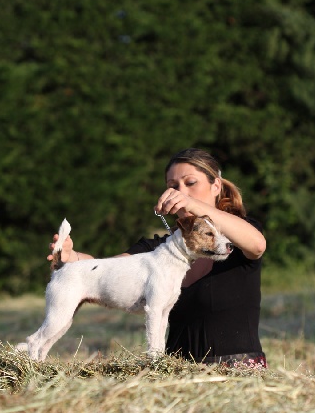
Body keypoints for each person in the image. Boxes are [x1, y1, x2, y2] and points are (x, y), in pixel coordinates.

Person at [48, 148, 267, 367]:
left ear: (216, 186)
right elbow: (105, 270)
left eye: (190, 183)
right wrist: (71, 257)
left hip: (237, 369)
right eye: (173, 186)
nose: (182, 192)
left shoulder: (238, 235)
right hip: (175, 369)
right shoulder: (158, 247)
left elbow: (257, 245)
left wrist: (193, 205)